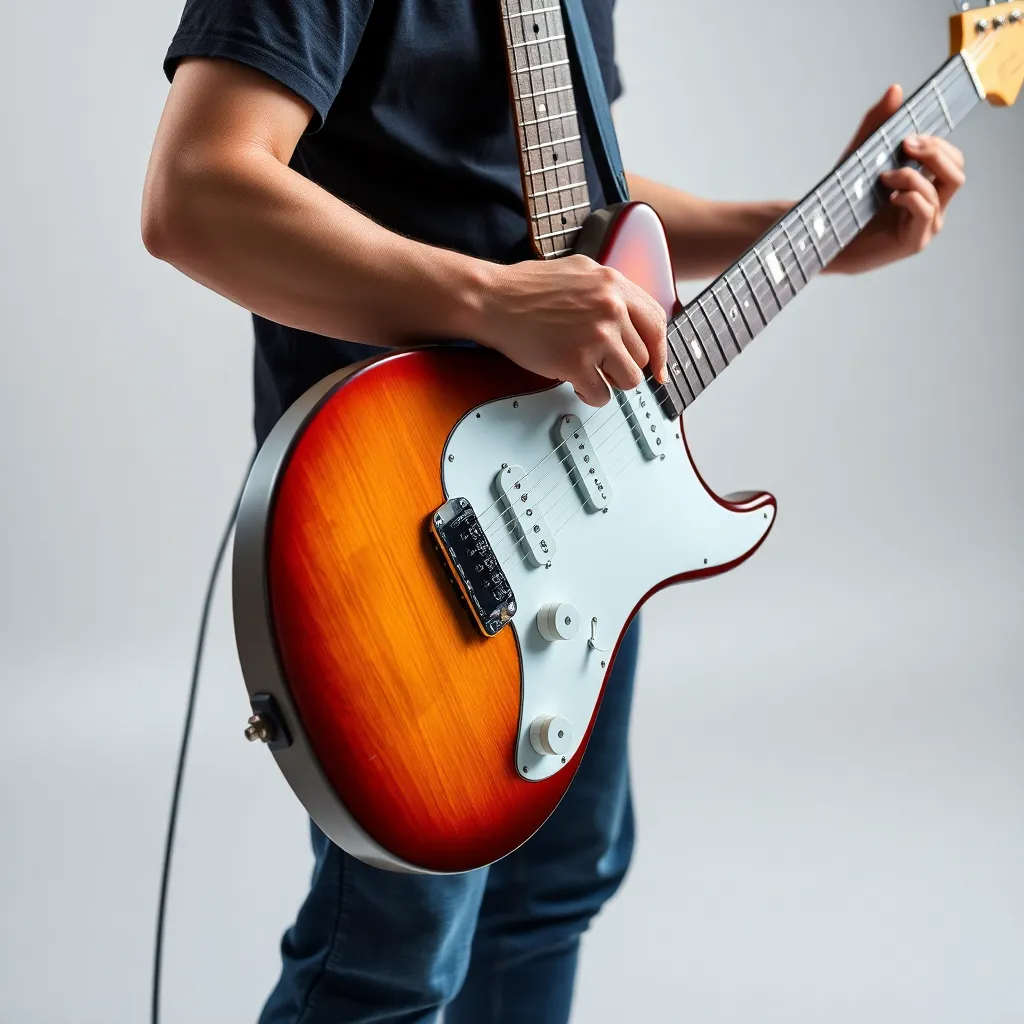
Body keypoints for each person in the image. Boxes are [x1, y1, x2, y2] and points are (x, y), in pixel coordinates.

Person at [142, 1, 965, 1020]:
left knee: (554, 888)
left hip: (581, 501)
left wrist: (806, 229)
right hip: (408, 525)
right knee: (391, 962)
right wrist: (488, 299)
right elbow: (196, 193)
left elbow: (577, 204)